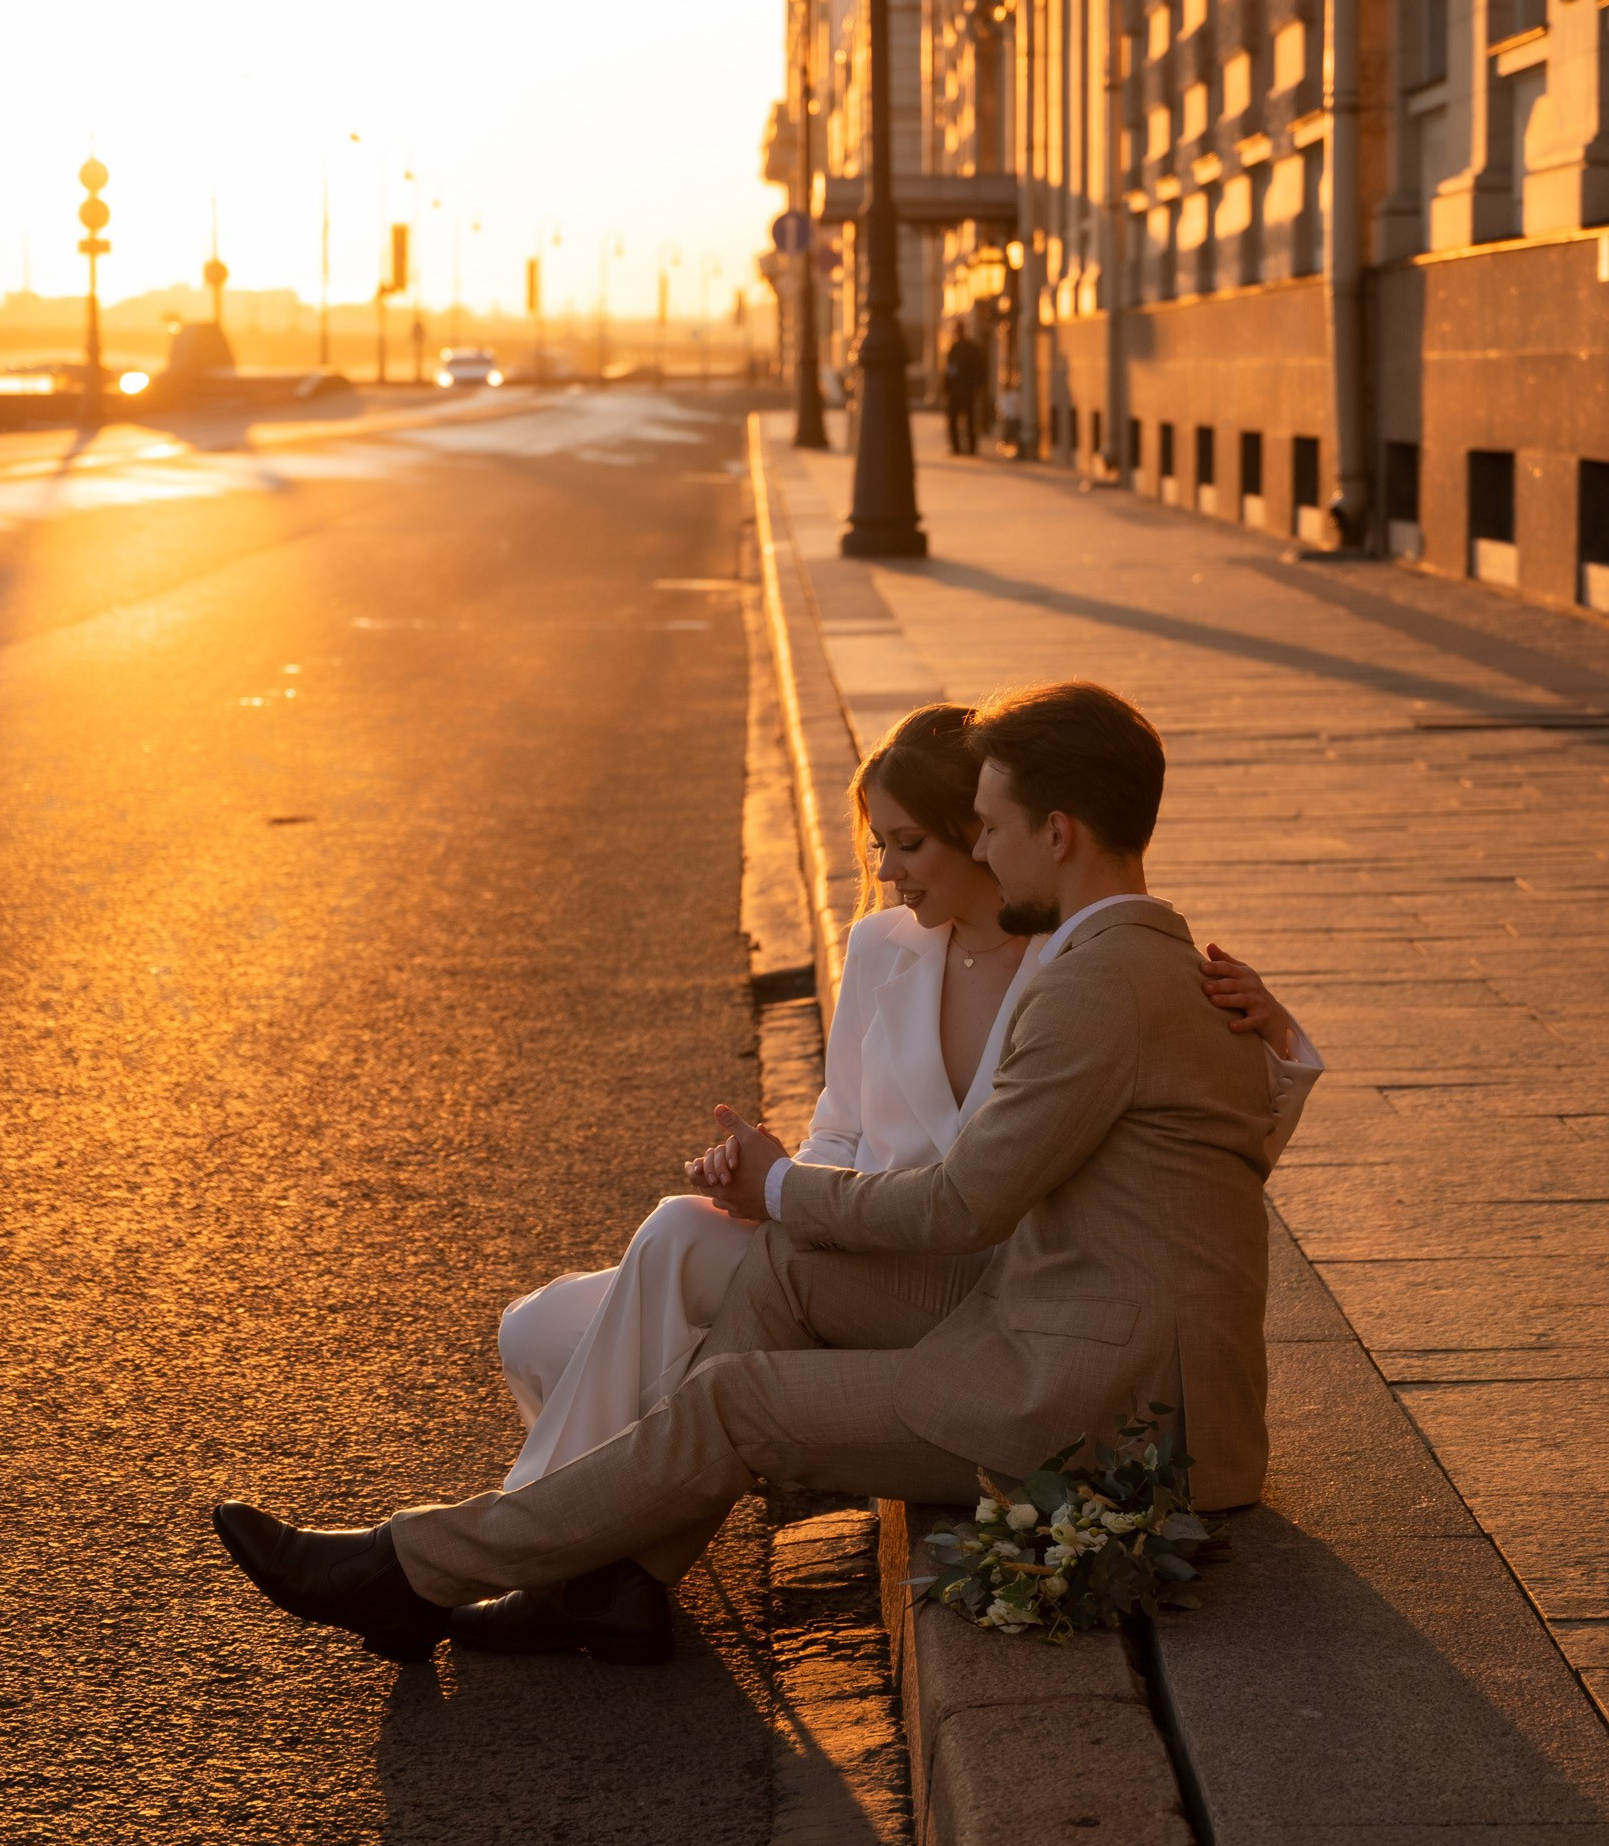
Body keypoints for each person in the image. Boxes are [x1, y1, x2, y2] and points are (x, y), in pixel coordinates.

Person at [212, 683, 1297, 1672]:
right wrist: (783, 1201)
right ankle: (620, 1582)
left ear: (1054, 834)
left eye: (993, 827)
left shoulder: (1093, 983)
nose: (985, 848)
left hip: (1105, 1408)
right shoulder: (1136, 959)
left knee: (736, 1394)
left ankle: (411, 1565)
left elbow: (962, 1201)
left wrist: (777, 1181)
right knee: (775, 1272)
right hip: (1073, 1335)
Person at [492, 701, 1318, 1507]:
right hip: (868, 1248)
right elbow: (841, 1129)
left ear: (987, 833)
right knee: (551, 1322)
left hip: (992, 1282)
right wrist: (780, 1185)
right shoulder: (884, 945)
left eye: (912, 842)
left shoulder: (1092, 972)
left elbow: (1202, 1159)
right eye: (879, 843)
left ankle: (559, 1526)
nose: (885, 870)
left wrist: (1276, 1047)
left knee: (643, 1332)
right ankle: (570, 1527)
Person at [941, 319, 988, 456]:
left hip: (968, 390)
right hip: (956, 391)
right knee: (953, 420)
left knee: (970, 420)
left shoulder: (971, 349)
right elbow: (949, 370)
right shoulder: (954, 348)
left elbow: (978, 369)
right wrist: (947, 387)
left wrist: (978, 387)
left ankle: (971, 448)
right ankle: (956, 447)